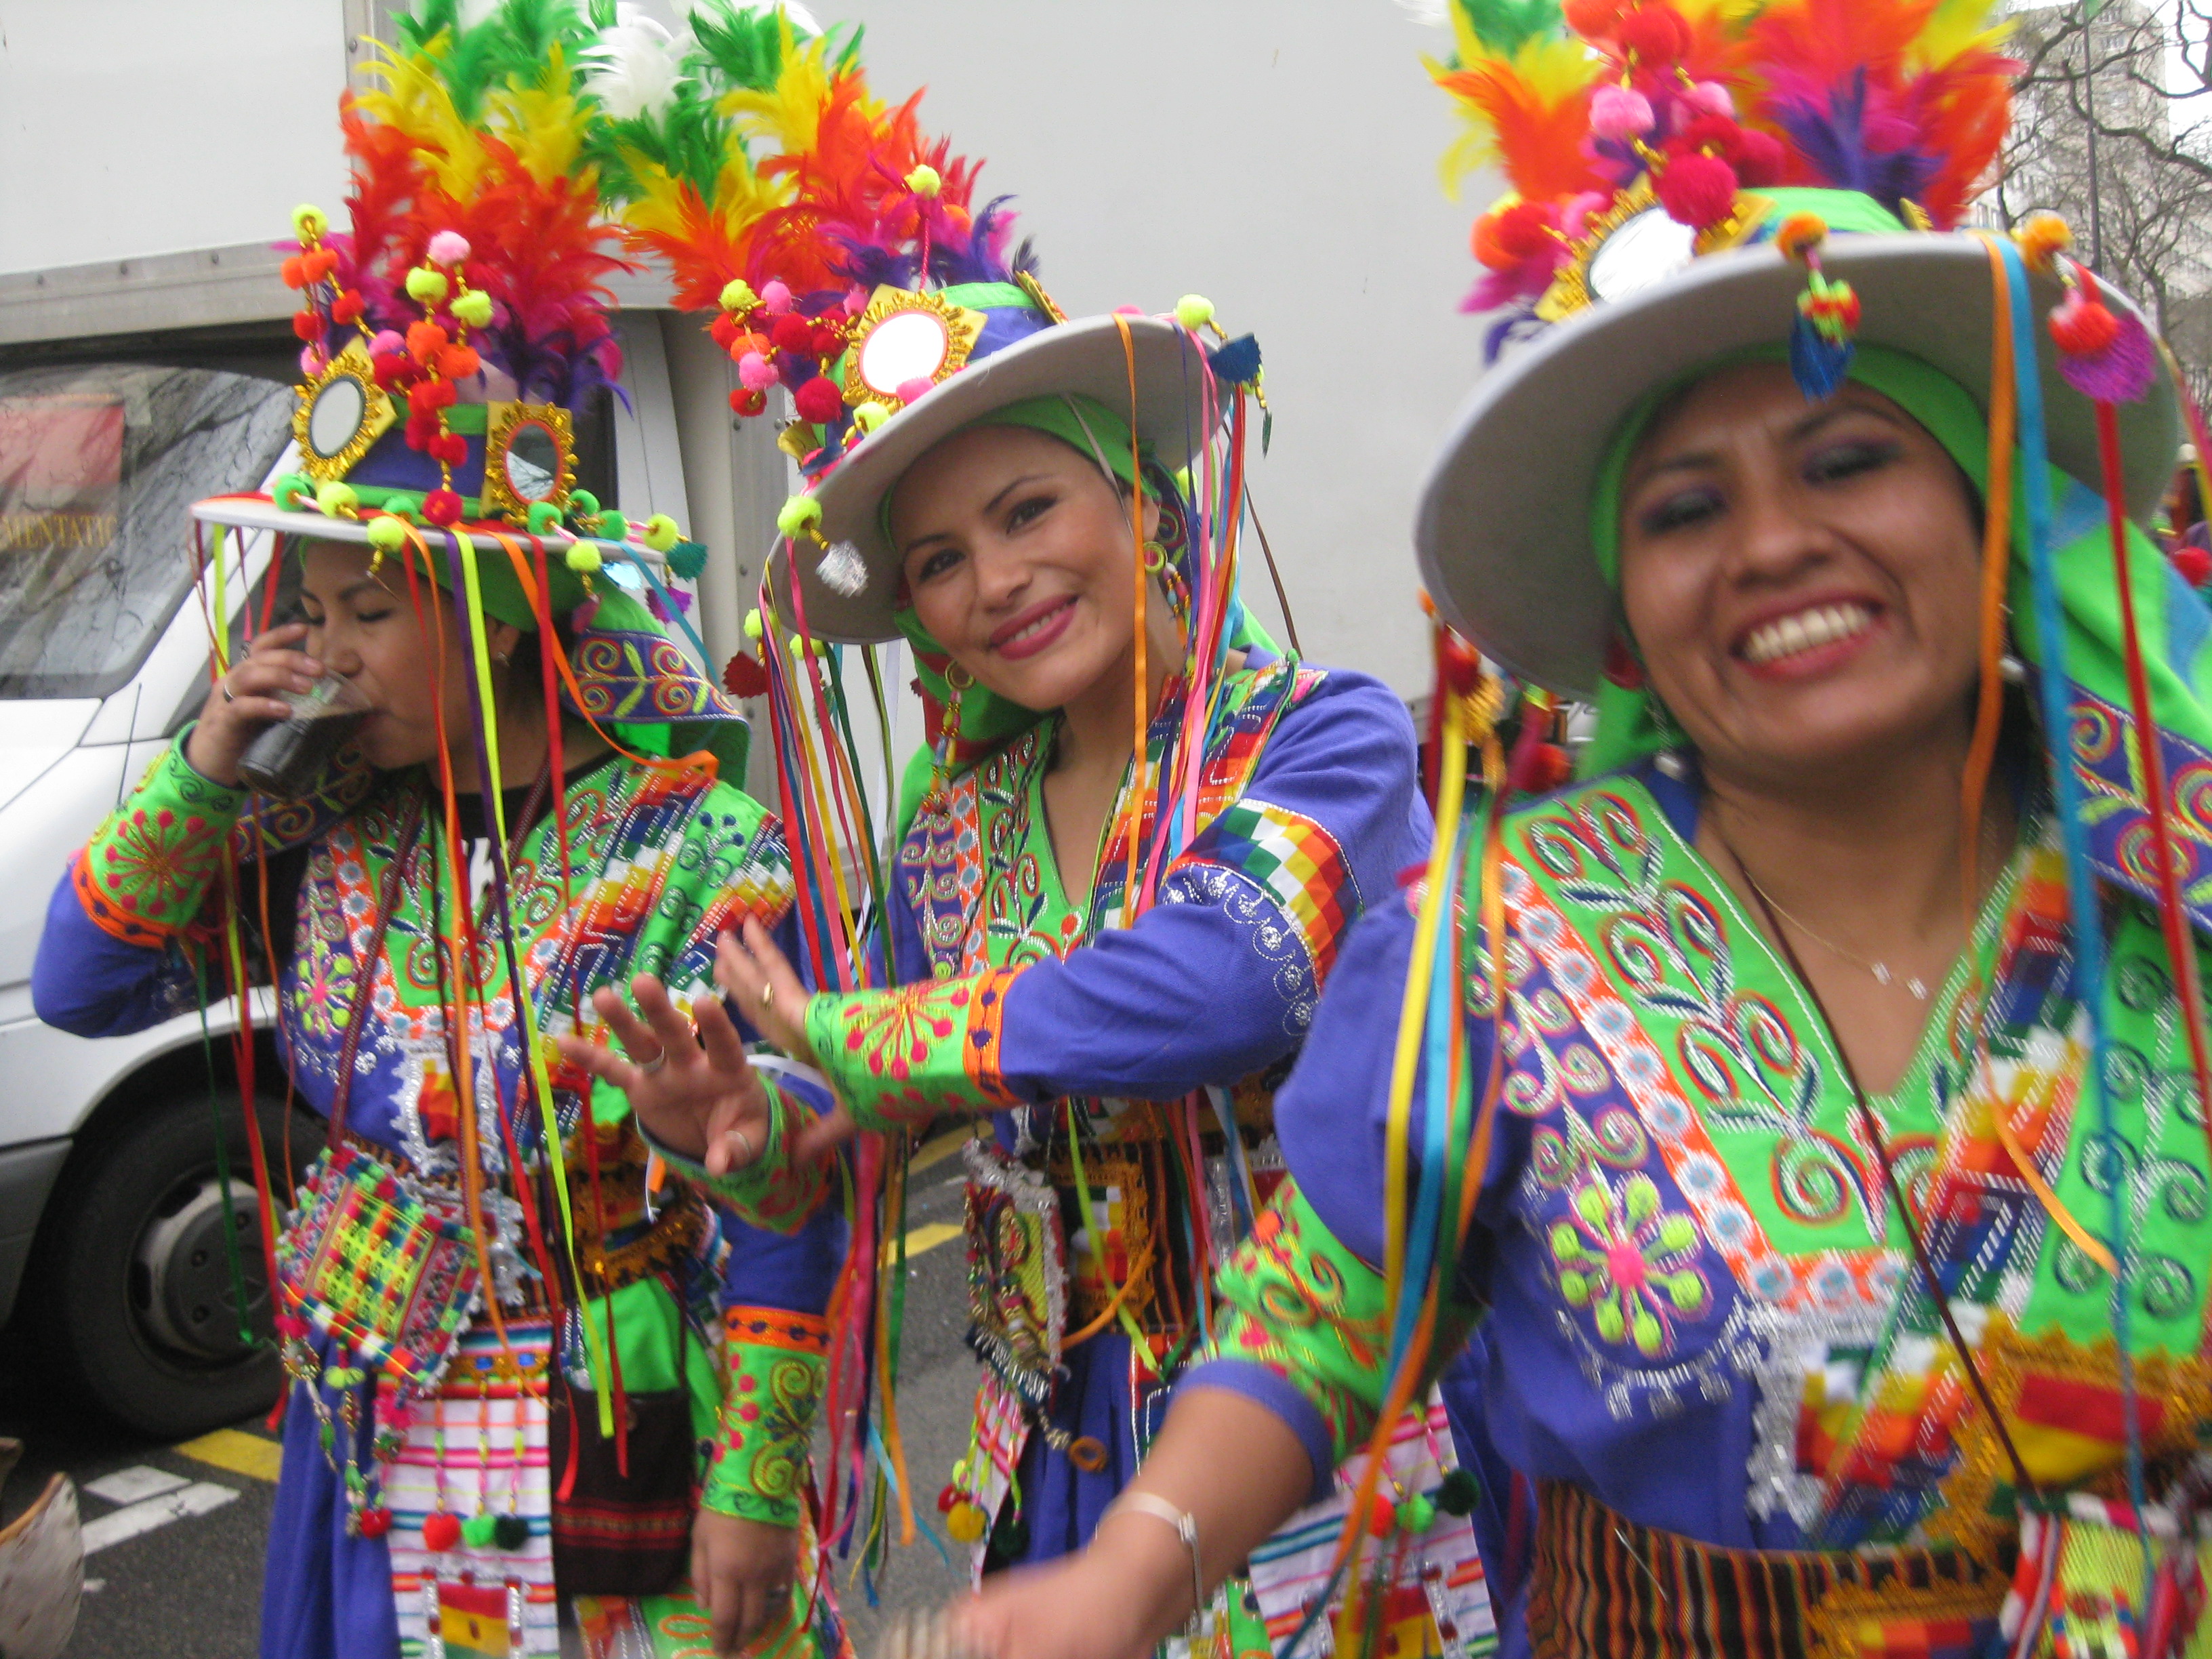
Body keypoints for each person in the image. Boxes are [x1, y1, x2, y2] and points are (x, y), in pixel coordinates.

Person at [928, 2, 2212, 1656]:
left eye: (1847, 458)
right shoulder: (1494, 936)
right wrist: (1133, 1568)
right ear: (1622, 604)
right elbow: (1332, 1298)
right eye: (1684, 507)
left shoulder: (2167, 885)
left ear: (1988, 501)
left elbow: (1218, 985)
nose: (1770, 544)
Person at [556, 36, 1490, 1648]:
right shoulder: (956, 827)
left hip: (1315, 1453)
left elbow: (1221, 987)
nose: (994, 580)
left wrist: (849, 1041)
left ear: (1146, 502)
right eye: (936, 558)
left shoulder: (1315, 738)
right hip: (1051, 1451)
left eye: (1030, 511)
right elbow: (835, 1124)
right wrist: (755, 1122)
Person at [30, 12, 846, 1657]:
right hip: (374, 1440)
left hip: (605, 1437)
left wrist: (759, 1483)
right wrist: (206, 760)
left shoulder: (704, 849)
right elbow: (81, 984)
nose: (321, 651)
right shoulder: (328, 825)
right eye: (305, 607)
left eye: (366, 610)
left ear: (498, 605)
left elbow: (798, 1174)